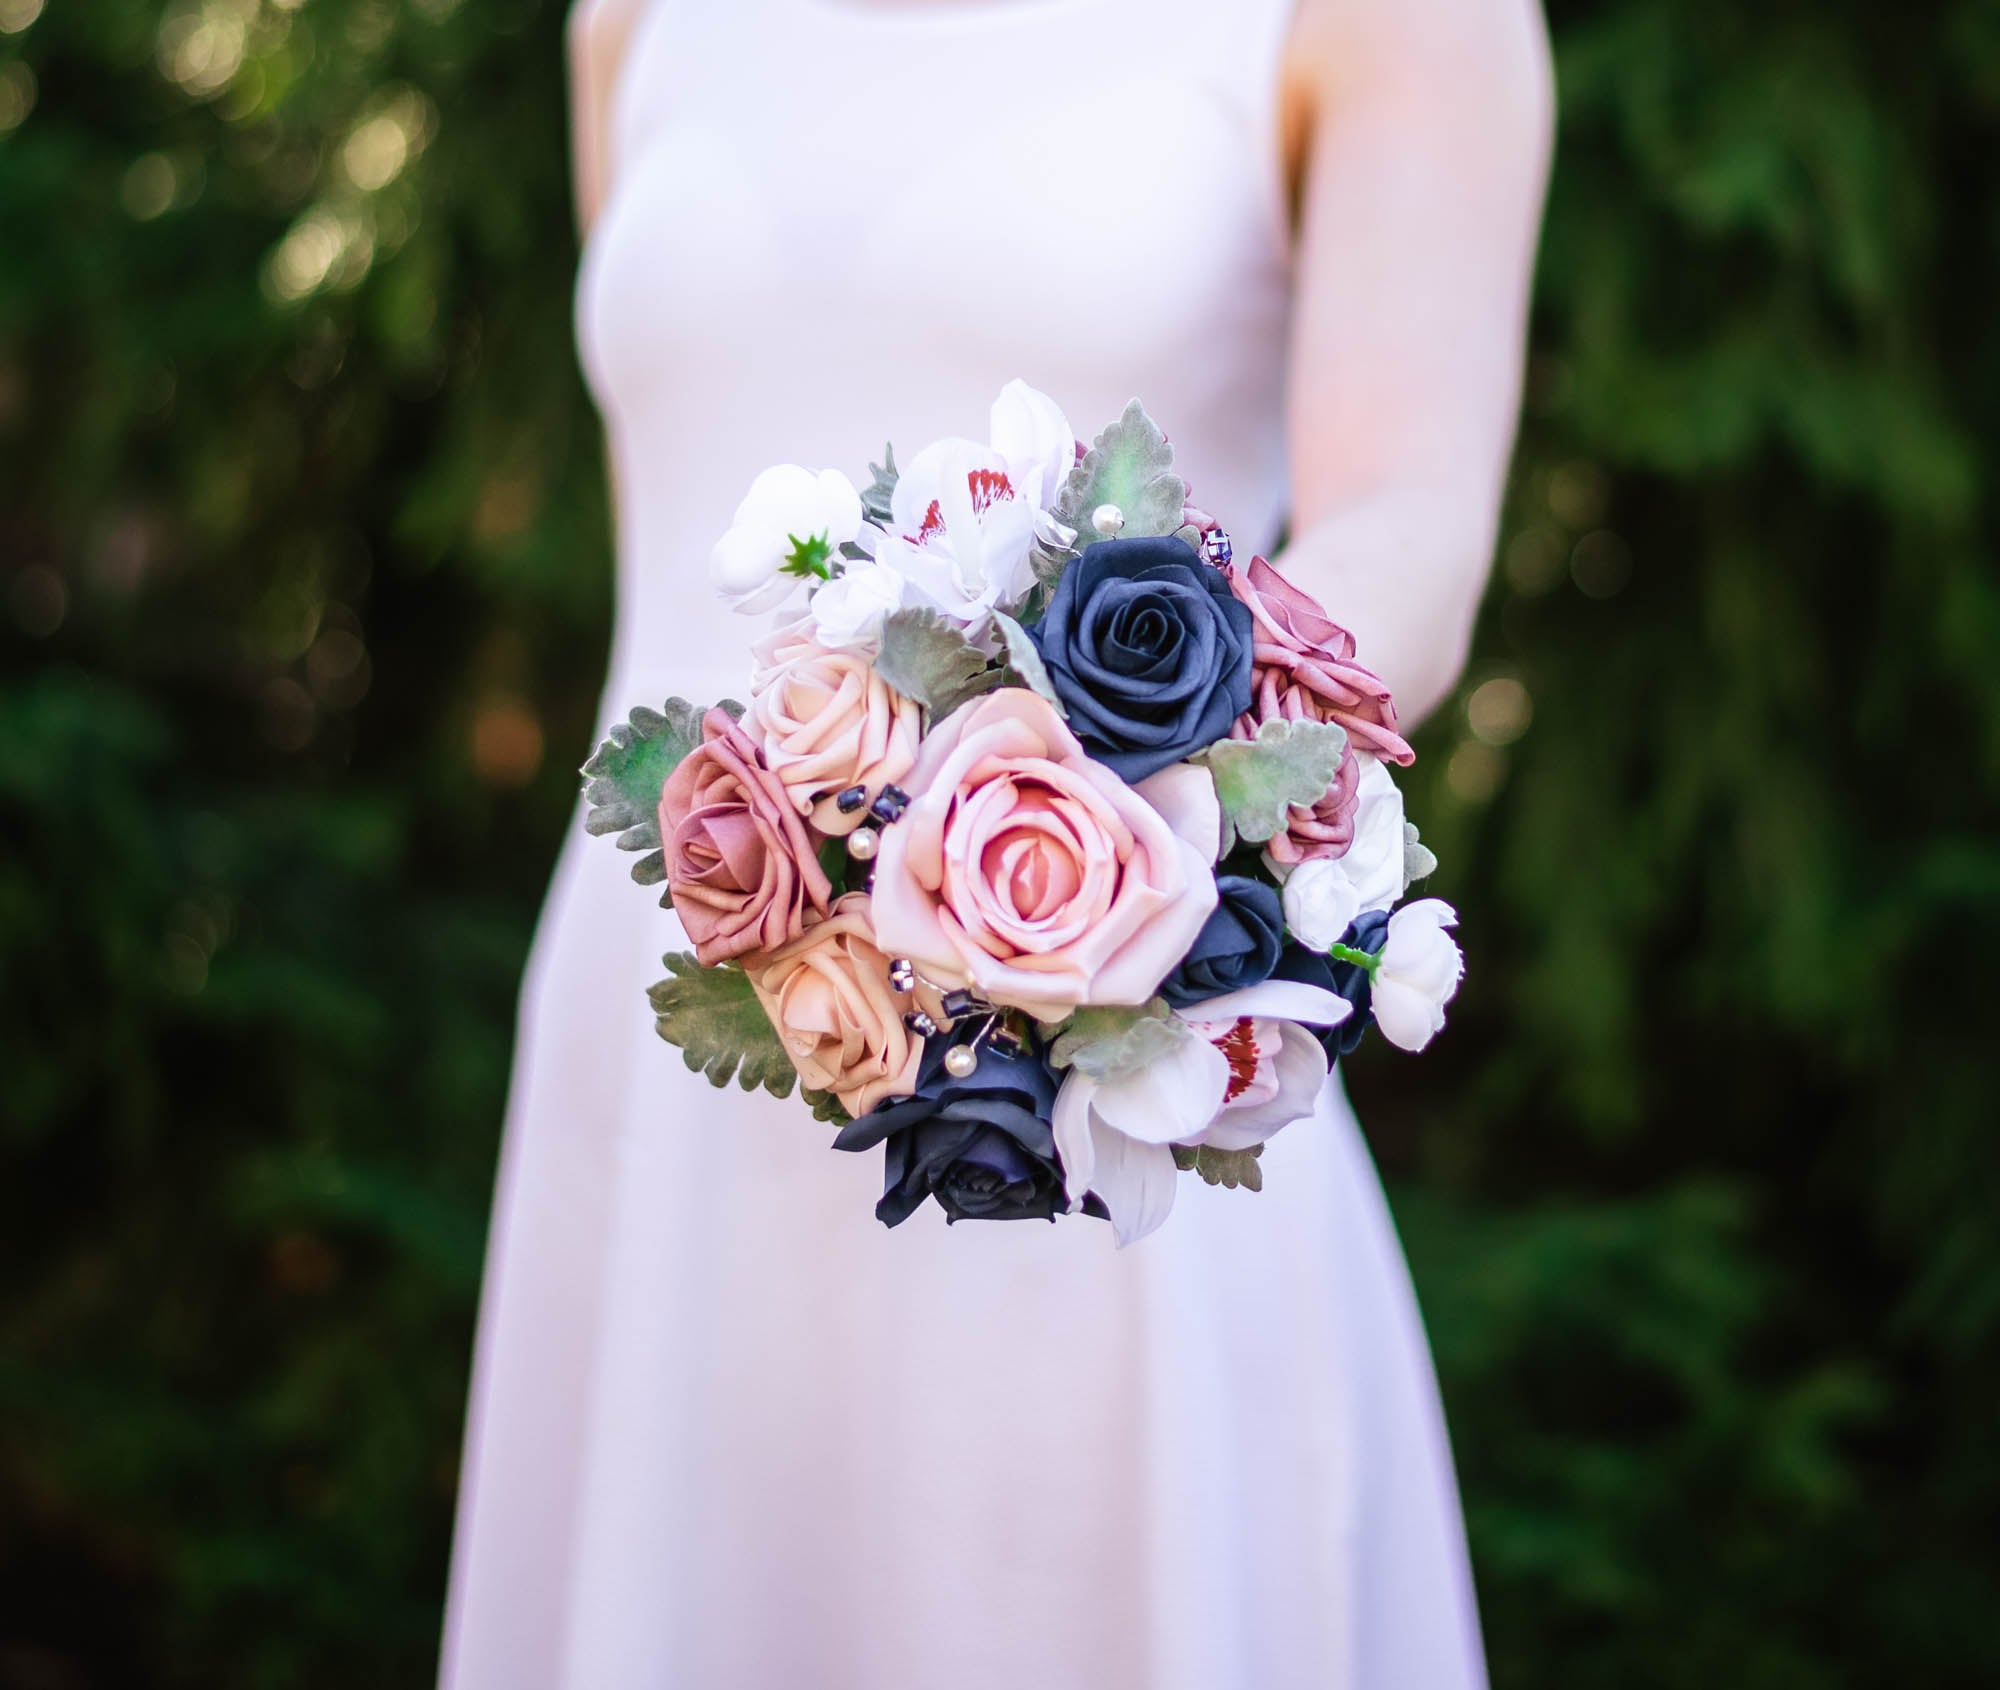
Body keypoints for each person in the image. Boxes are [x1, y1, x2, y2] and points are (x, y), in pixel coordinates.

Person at [441, 0, 1552, 1683]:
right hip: (663, 1065)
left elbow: (1412, 528)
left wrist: (1085, 812)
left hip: (1094, 1040)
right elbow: (676, 557)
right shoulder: (630, 21)